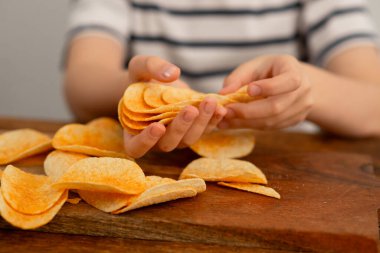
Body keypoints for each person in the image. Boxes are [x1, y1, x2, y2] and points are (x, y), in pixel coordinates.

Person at [64, 0, 380, 158]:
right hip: (155, 162)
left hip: (285, 170)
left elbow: (373, 106)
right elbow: (81, 84)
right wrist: (139, 93)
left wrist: (307, 88)